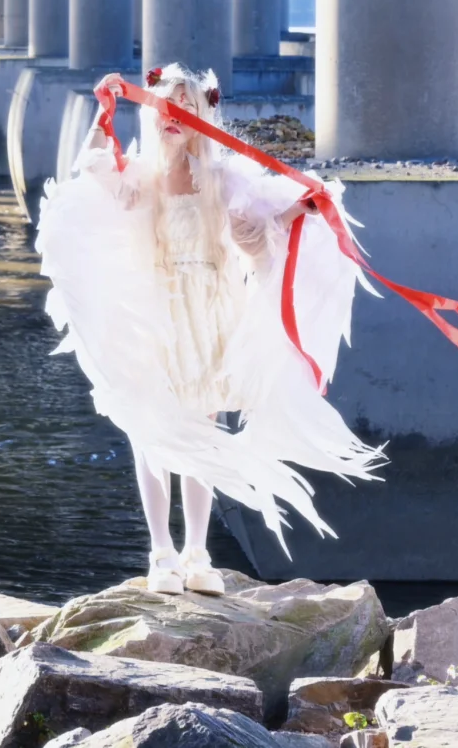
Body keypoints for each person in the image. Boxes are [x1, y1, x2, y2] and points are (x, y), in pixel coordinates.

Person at [34, 64, 383, 595]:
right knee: (151, 430)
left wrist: (301, 211)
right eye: (166, 108)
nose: (175, 117)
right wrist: (106, 106)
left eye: (186, 108)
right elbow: (95, 171)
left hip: (211, 310)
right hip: (157, 308)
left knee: (203, 428)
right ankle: (161, 554)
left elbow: (256, 236)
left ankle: (198, 553)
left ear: (202, 119)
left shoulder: (223, 179)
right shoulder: (142, 176)